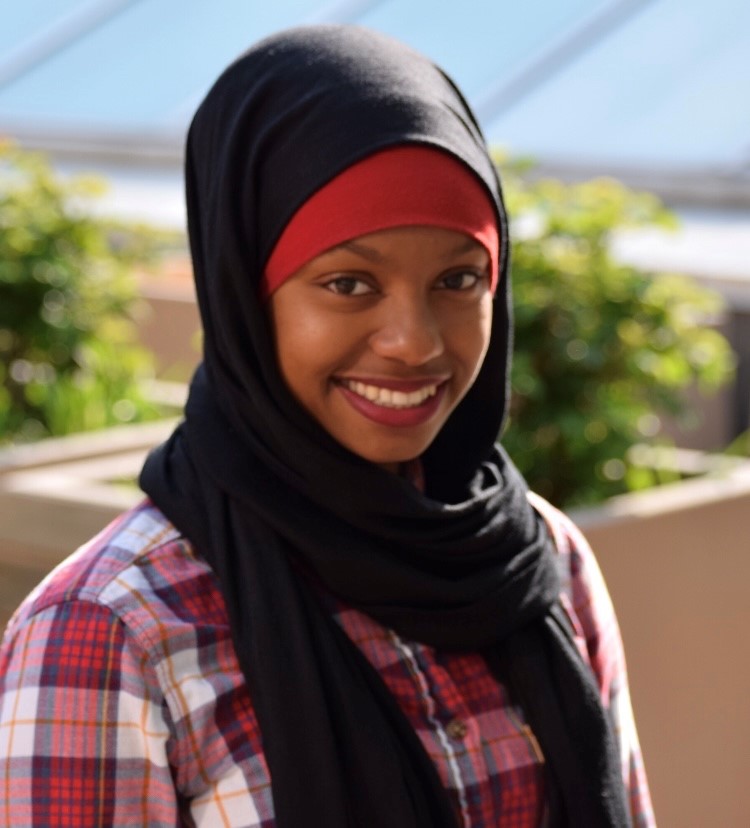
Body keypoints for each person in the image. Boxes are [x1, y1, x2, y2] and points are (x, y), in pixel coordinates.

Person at [0, 24, 654, 828]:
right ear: (245, 290)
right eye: (349, 282)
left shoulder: (540, 563)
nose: (415, 342)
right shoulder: (113, 631)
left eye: (459, 278)